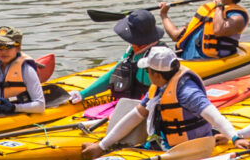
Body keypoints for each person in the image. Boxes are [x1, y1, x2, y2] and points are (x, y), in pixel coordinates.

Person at [93, 43, 234, 153]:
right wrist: (102, 145)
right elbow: (136, 115)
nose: (147, 73)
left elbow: (215, 117)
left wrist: (234, 137)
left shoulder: (187, 92)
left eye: (147, 71)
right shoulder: (159, 87)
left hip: (190, 148)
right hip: (164, 144)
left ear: (157, 75)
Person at [163, 0, 248, 63]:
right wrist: (164, 15)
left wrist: (219, 5)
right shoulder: (207, 11)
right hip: (186, 61)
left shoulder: (237, 16)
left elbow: (219, 31)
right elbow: (175, 36)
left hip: (209, 62)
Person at [105, 9, 163, 104]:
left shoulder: (158, 57)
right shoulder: (131, 50)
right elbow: (113, 73)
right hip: (130, 103)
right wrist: (82, 94)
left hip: (146, 107)